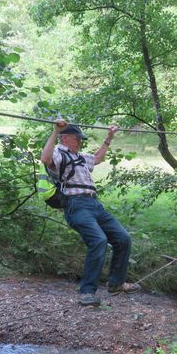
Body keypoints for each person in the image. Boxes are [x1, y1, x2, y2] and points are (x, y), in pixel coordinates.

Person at [40, 119, 141, 306]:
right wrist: (54, 131)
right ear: (65, 139)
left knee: (123, 238)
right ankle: (87, 292)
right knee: (99, 240)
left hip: (95, 204)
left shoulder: (81, 157)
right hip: (75, 205)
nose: (80, 141)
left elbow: (97, 158)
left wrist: (109, 138)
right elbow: (45, 159)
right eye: (77, 138)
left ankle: (116, 284)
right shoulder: (58, 153)